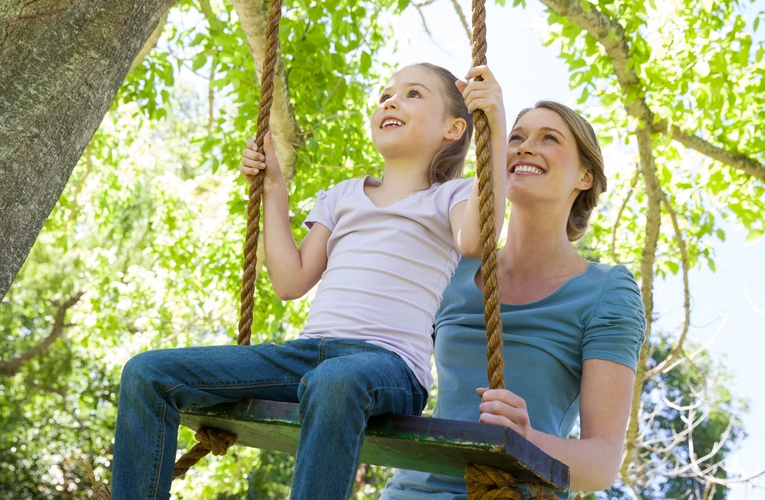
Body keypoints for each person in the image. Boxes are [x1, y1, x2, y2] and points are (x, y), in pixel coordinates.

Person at [109, 62, 506, 500]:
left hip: (388, 366)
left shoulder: (451, 196)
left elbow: (475, 239)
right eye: (386, 95)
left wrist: (495, 124)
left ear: (454, 128)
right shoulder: (342, 196)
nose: (391, 100)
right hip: (304, 357)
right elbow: (291, 281)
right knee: (146, 373)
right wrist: (273, 188)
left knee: (335, 379)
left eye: (414, 94)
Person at [381, 67, 646, 499]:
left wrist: (526, 439)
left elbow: (600, 465)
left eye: (549, 138)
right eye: (517, 137)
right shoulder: (455, 264)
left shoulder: (606, 292)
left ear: (585, 178)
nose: (526, 147)